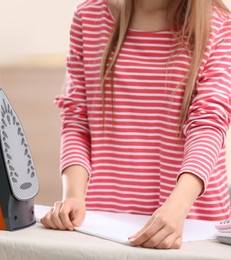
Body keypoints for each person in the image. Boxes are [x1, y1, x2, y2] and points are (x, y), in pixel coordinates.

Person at [40, 0, 231, 250]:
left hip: (192, 224)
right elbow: (77, 119)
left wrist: (178, 206)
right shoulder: (89, 17)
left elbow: (208, 124)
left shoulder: (219, 25)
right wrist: (73, 196)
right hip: (107, 224)